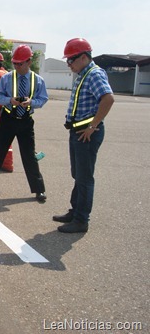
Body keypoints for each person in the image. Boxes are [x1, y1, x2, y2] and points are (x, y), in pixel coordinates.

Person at [53, 38, 114, 233]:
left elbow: (108, 99)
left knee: (85, 177)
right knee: (78, 175)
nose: (69, 64)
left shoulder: (94, 74)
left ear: (84, 57)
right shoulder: (83, 73)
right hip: (78, 132)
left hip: (87, 134)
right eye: (68, 60)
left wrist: (93, 126)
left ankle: (81, 220)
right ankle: (75, 211)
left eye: (71, 59)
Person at [0, 45, 48, 202]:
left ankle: (38, 189)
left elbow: (43, 99)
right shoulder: (7, 78)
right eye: (15, 64)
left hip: (26, 121)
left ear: (29, 62)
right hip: (8, 119)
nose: (17, 67)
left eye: (20, 64)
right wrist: (10, 100)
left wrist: (31, 102)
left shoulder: (38, 81)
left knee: (29, 156)